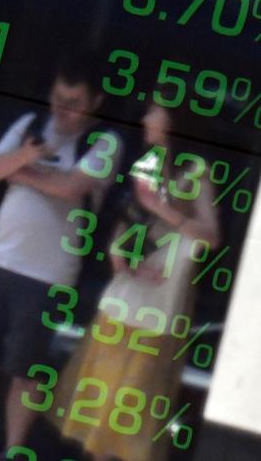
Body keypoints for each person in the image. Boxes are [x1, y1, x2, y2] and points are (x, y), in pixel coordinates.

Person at [0, 52, 123, 460]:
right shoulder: (30, 125)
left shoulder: (104, 141)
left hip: (47, 275)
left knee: (26, 372)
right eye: (58, 98)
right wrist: (28, 159)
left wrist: (23, 169)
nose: (62, 110)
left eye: (74, 102)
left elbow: (73, 186)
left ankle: (13, 452)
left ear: (95, 102)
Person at [49, 102, 220, 461]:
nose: (145, 119)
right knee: (100, 398)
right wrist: (119, 254)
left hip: (162, 299)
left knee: (131, 404)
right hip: (128, 292)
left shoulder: (196, 170)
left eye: (154, 112)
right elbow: (127, 217)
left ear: (173, 121)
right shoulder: (148, 163)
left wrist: (164, 209)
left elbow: (211, 236)